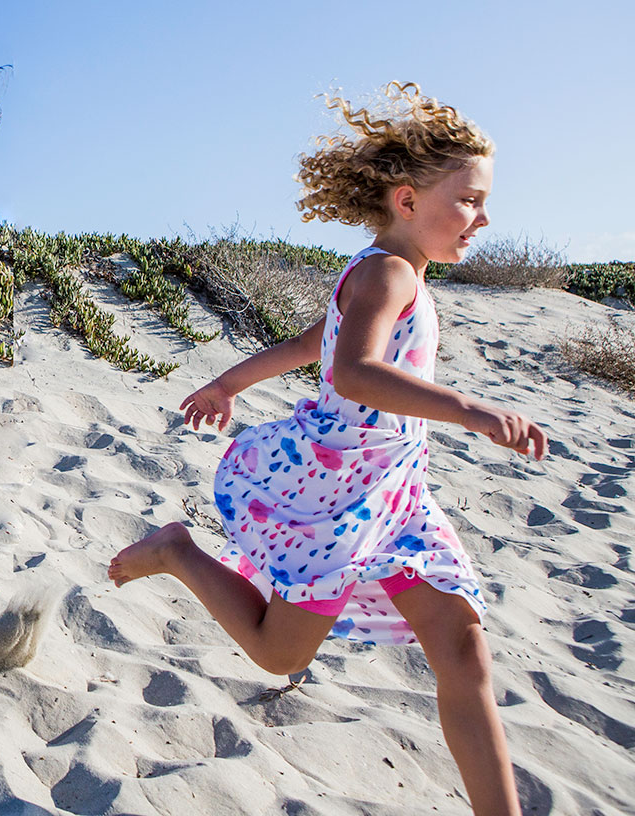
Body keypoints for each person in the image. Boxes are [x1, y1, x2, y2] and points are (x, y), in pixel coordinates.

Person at [109, 82, 546, 816]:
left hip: (397, 493)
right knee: (281, 654)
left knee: (463, 649)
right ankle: (179, 551)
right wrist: (470, 410)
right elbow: (350, 369)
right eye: (468, 198)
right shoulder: (387, 272)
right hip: (339, 489)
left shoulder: (396, 274)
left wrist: (228, 381)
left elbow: (312, 344)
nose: (483, 216)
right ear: (406, 200)